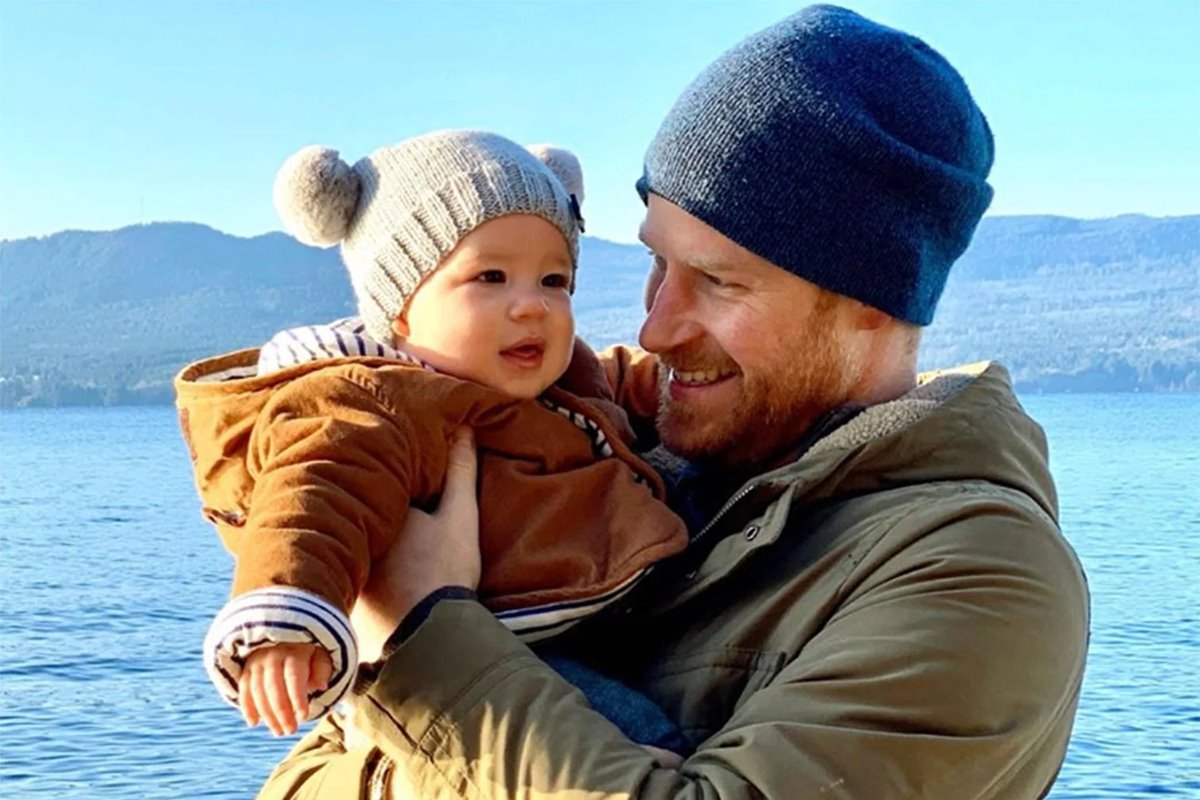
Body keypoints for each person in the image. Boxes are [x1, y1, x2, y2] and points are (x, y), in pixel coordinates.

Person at [257, 5, 1090, 799]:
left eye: (718, 282)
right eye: (657, 263)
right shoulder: (616, 449)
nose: (654, 327)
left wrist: (419, 633)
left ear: (873, 302)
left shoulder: (980, 575)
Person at [174, 130, 689, 747]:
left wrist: (695, 367)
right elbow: (315, 499)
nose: (532, 306)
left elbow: (618, 388)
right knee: (644, 743)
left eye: (554, 281)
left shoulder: (551, 381)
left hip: (582, 624)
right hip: (493, 648)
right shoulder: (374, 405)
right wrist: (285, 623)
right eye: (491, 276)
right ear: (398, 310)